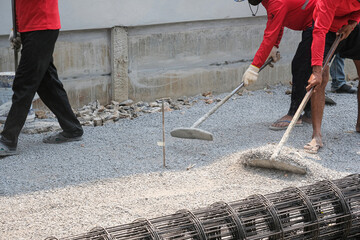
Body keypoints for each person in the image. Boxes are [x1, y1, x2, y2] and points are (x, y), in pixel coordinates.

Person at [1, 0, 83, 156]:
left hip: (41, 26)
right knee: (47, 83)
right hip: (31, 26)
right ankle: (72, 128)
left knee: (24, 83)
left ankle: (7, 141)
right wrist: (16, 28)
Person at [242, 0, 316, 130]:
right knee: (304, 65)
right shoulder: (268, 1)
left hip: (318, 23)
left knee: (300, 66)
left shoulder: (277, 2)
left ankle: (294, 115)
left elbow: (269, 35)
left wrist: (254, 67)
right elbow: (277, 21)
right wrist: (275, 46)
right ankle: (309, 113)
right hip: (311, 23)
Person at [305, 0, 360, 154]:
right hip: (325, 29)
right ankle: (316, 135)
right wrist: (316, 71)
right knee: (320, 79)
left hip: (350, 23)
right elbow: (320, 30)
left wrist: (353, 23)